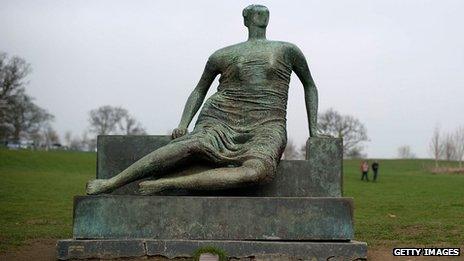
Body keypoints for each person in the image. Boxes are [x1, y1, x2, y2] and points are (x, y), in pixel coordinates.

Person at [86, 5, 320, 195]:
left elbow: (309, 85)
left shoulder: (287, 50)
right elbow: (199, 89)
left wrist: (314, 129)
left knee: (257, 172)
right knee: (191, 144)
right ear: (245, 20)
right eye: (255, 12)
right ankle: (112, 183)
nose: (262, 13)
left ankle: (170, 184)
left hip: (267, 125)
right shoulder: (223, 54)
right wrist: (183, 123)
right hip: (221, 118)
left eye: (265, 11)